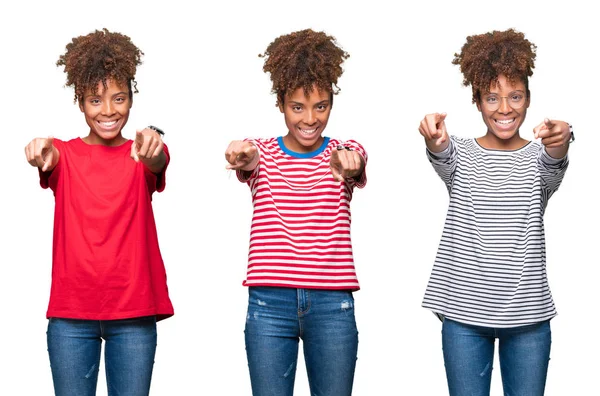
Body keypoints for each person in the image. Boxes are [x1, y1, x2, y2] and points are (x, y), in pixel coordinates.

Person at [419, 28, 572, 396]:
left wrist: (564, 137)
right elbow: (441, 151)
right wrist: (432, 137)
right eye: (492, 98)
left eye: (515, 96)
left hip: (528, 318)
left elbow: (557, 155)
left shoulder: (539, 158)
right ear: (477, 102)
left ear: (529, 99)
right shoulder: (460, 155)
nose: (505, 109)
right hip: (464, 317)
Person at [24, 28, 173, 396]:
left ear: (131, 98)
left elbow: (158, 158)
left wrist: (155, 145)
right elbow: (50, 154)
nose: (108, 111)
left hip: (133, 315)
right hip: (71, 318)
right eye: (95, 100)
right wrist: (40, 148)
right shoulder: (65, 154)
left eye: (119, 98)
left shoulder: (142, 153)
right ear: (80, 103)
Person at [224, 28, 367, 396]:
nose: (309, 119)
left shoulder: (344, 150)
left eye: (320, 106)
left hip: (331, 304)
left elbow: (354, 161)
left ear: (332, 103)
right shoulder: (262, 153)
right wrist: (240, 153)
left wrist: (349, 164)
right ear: (281, 103)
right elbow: (247, 154)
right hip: (269, 303)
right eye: (297, 107)